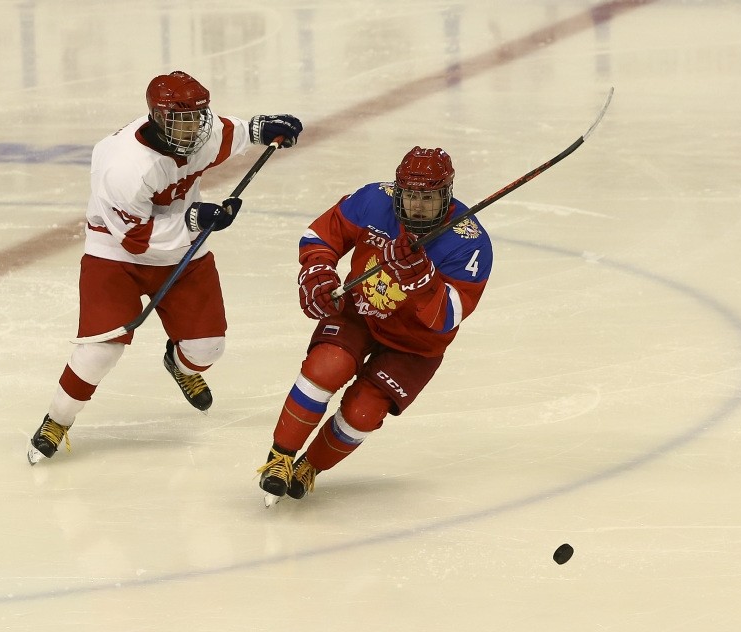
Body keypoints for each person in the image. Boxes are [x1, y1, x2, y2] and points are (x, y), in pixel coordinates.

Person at [28, 70, 303, 465]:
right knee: (100, 352)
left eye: (197, 117)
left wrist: (263, 129)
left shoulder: (199, 132)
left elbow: (228, 134)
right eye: (182, 119)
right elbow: (134, 239)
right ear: (157, 117)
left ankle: (176, 363)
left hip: (181, 250)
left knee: (208, 348)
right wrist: (195, 220)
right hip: (116, 254)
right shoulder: (123, 166)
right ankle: (58, 419)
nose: (193, 127)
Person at [257, 146, 493, 501]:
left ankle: (310, 466)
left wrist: (420, 279)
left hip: (416, 344)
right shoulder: (374, 200)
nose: (417, 206)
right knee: (325, 368)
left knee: (362, 413)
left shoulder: (469, 243)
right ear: (398, 191)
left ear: (446, 195)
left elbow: (446, 318)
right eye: (410, 195)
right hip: (360, 312)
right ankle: (280, 457)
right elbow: (322, 235)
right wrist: (317, 270)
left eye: (428, 198)